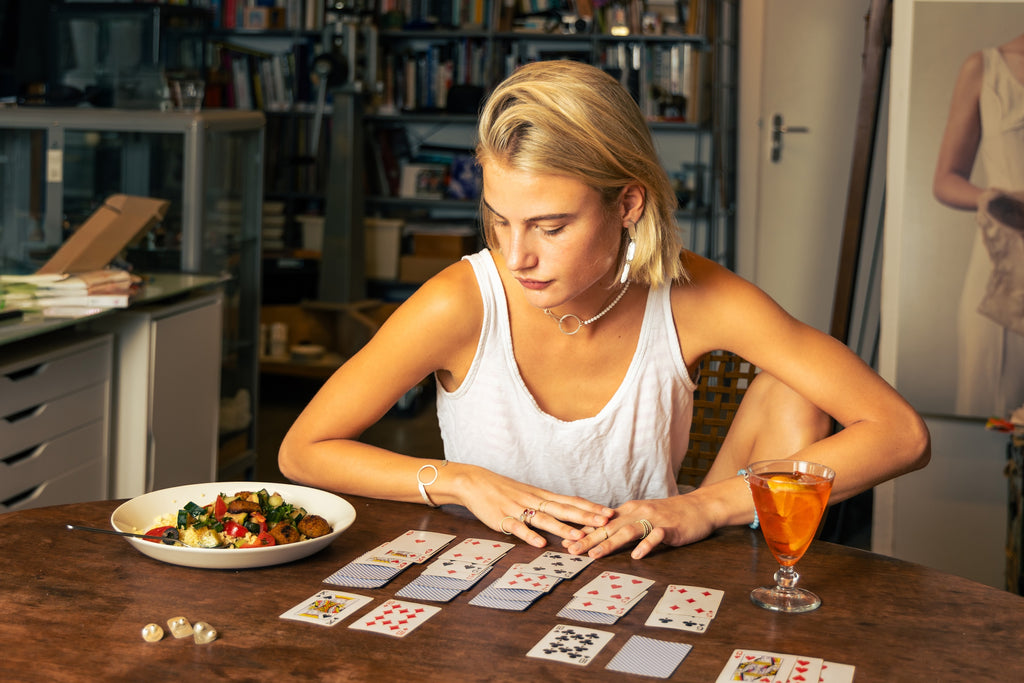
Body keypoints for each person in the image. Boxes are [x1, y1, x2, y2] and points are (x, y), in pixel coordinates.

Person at [279, 61, 930, 560]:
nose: (517, 255)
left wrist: (704, 507)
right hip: (485, 585)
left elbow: (901, 434)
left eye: (551, 226)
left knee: (795, 389)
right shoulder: (461, 300)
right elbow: (303, 450)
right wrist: (459, 481)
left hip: (648, 573)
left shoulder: (697, 294)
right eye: (499, 220)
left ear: (627, 205)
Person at [933, 33, 1024, 418]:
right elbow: (945, 179)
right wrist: (994, 200)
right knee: (990, 407)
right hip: (1001, 267)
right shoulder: (985, 68)